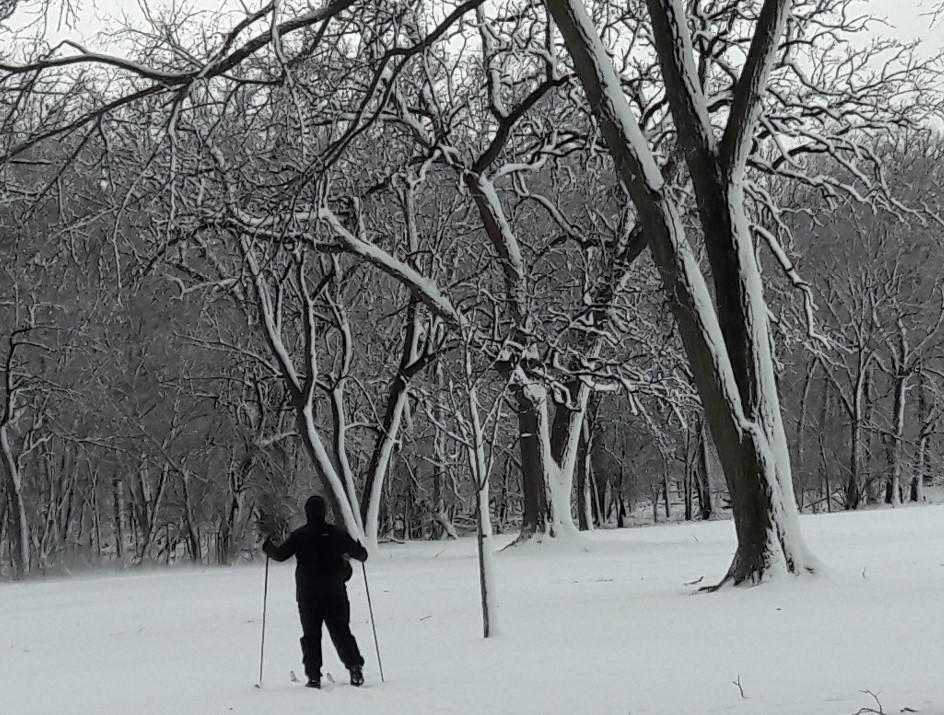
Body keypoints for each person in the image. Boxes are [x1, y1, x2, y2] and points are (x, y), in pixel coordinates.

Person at [262, 495, 368, 689]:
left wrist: (267, 547)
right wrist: (359, 549)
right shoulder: (337, 533)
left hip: (308, 596)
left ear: (307, 512)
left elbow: (279, 555)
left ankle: (313, 677)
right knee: (341, 632)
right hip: (336, 593)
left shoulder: (300, 536)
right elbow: (361, 555)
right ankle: (354, 667)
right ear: (324, 511)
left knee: (311, 636)